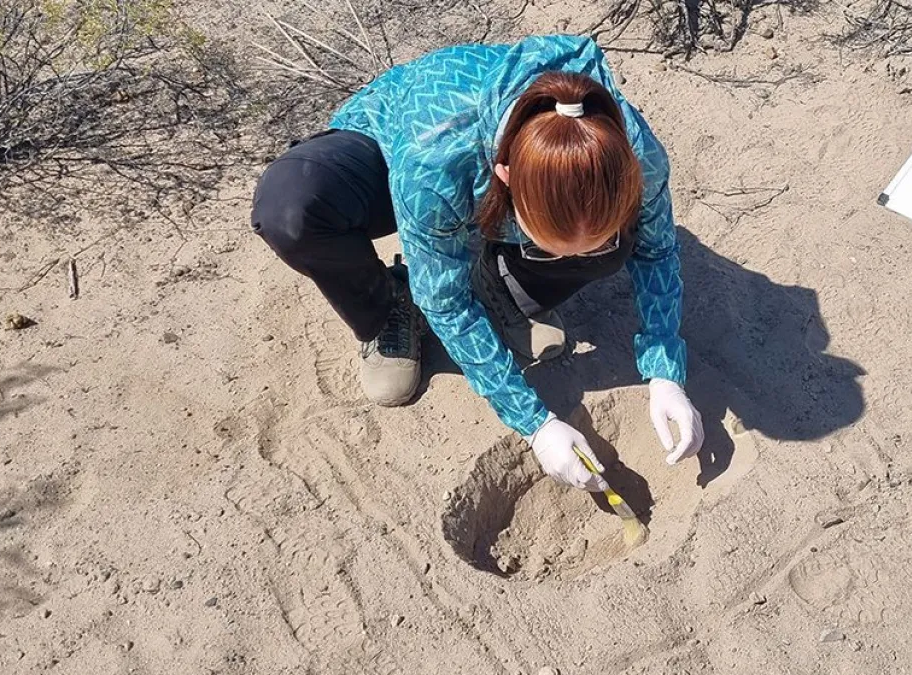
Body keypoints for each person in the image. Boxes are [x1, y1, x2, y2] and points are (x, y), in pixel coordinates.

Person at [251, 35, 703, 492]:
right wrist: (535, 424)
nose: (570, 260)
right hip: (391, 144)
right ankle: (388, 307)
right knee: (291, 209)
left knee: (618, 245)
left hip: (487, 184)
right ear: (505, 180)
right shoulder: (434, 165)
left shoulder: (635, 155)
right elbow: (445, 305)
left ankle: (498, 284)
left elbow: (656, 249)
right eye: (546, 245)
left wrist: (666, 372)